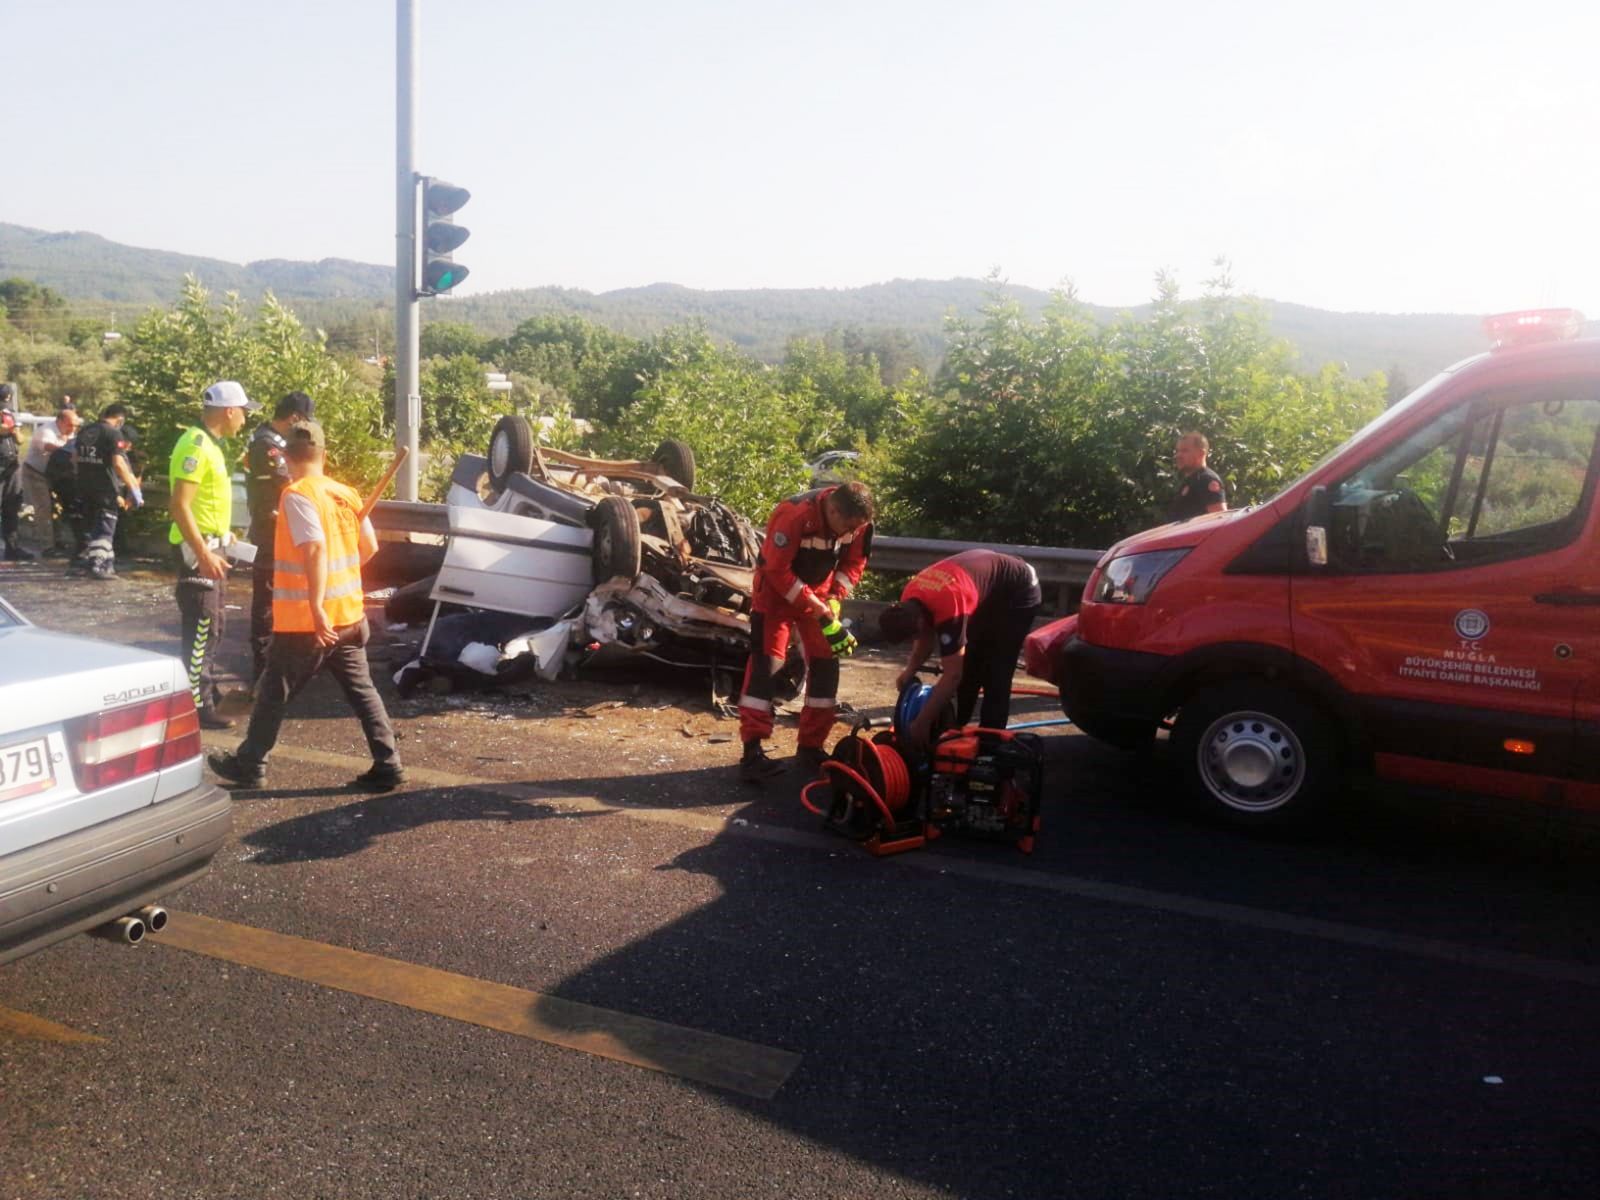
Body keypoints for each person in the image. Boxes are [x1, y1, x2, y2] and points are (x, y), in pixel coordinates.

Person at [207, 420, 405, 792]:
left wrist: (316, 605)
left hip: (307, 622)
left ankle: (250, 764)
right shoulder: (344, 492)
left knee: (272, 692)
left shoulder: (297, 494)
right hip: (348, 615)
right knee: (363, 692)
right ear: (323, 455)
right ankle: (388, 762)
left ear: (285, 457)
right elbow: (370, 549)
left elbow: (313, 548)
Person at [737, 480, 874, 782]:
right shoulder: (794, 514)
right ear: (834, 510)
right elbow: (776, 570)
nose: (849, 534)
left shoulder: (857, 522)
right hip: (775, 597)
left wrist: (835, 596)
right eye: (847, 528)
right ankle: (752, 752)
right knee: (767, 669)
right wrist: (813, 603)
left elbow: (854, 562)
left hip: (820, 597)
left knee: (826, 667)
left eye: (856, 529)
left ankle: (811, 746)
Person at [878, 549, 1043, 755]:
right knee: (971, 665)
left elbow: (952, 675)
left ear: (918, 621)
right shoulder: (909, 599)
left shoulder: (950, 607)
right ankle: (955, 731)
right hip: (984, 590)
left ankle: (990, 746)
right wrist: (910, 670)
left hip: (1019, 592)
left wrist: (922, 722)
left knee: (996, 670)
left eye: (912, 636)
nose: (914, 641)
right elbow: (925, 639)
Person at [169, 381, 256, 729]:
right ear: (229, 411)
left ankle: (206, 690)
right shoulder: (196, 445)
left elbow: (204, 504)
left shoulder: (212, 446)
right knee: (201, 627)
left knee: (214, 625)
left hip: (212, 546)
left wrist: (224, 536)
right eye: (244, 413)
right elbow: (179, 505)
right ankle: (198, 704)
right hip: (197, 551)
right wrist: (205, 552)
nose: (245, 420)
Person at [244, 391, 315, 682]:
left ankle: (285, 663)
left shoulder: (276, 442)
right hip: (270, 532)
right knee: (267, 601)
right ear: (295, 417)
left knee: (284, 597)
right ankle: (263, 671)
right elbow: (287, 483)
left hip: (282, 531)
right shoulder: (267, 444)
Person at [72, 402, 141, 579]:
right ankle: (98, 565)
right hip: (105, 487)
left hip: (84, 485)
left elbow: (75, 457)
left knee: (95, 526)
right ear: (120, 419)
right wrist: (133, 488)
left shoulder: (86, 430)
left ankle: (107, 564)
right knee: (105, 527)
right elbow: (118, 463)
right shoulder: (113, 433)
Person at [21, 402, 80, 555]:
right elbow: (50, 447)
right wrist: (69, 452)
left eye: (75, 426)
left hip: (54, 474)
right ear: (59, 421)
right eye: (70, 425)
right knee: (44, 508)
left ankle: (58, 540)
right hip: (36, 473)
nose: (73, 429)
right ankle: (47, 547)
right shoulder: (46, 431)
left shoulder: (69, 431)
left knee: (58, 508)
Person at [0, 386, 33, 562]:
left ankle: (12, 548)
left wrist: (12, 429)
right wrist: (8, 428)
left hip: (11, 465)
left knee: (11, 506)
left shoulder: (10, 413)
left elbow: (20, 439)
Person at [1167, 432, 1226, 522]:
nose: (1178, 455)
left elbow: (1220, 520)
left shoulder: (1207, 480)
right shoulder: (1190, 480)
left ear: (1201, 453)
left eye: (1185, 451)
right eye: (1177, 451)